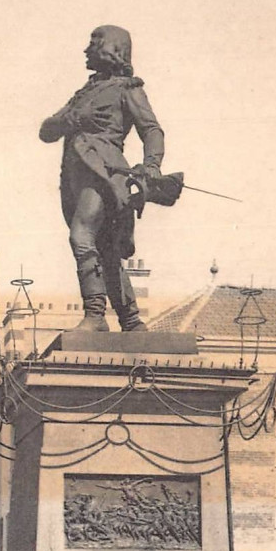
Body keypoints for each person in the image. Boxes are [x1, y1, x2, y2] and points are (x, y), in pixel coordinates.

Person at [39, 25, 165, 333]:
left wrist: (151, 167)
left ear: (112, 48)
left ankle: (95, 316)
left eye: (93, 43)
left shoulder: (127, 88)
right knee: (104, 247)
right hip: (74, 175)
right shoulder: (83, 93)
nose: (86, 50)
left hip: (105, 174)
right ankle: (131, 320)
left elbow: (152, 130)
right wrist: (69, 120)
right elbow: (46, 131)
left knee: (81, 236)